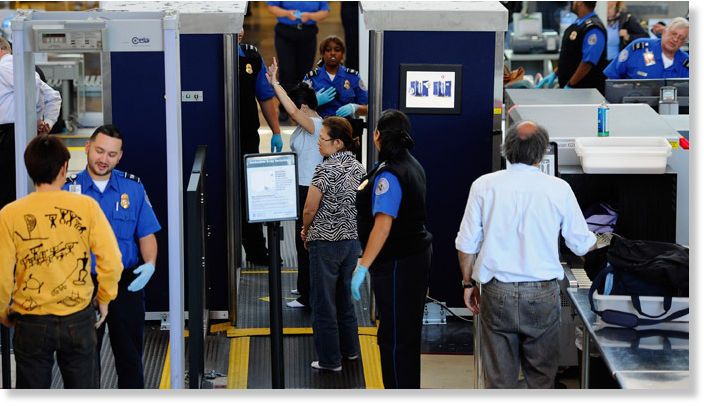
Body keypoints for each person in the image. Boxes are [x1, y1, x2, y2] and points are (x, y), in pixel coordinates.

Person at [455, 121, 596, 389]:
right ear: (542, 152)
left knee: (499, 380)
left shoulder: (483, 185)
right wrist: (600, 242)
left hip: (496, 292)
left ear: (507, 149)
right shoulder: (559, 189)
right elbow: (581, 244)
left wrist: (468, 283)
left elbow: (466, 244)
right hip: (542, 294)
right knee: (541, 379)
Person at [0, 134, 122, 388]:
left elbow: (1, 273)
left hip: (30, 321)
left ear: (29, 167)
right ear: (64, 167)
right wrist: (104, 298)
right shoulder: (86, 206)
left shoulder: (10, 214)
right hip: (78, 319)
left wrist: (3, 311)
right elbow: (112, 261)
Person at [64, 124, 161, 388]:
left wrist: (150, 263)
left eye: (111, 154)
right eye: (99, 151)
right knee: (83, 361)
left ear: (119, 157)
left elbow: (146, 234)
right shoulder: (67, 192)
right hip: (82, 285)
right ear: (87, 148)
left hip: (124, 284)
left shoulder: (134, 188)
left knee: (130, 358)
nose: (103, 159)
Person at [351, 109, 433, 389]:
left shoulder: (391, 175)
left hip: (399, 263)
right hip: (412, 258)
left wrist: (363, 266)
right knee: (405, 335)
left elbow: (383, 226)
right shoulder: (409, 164)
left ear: (377, 136)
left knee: (395, 338)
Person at [300, 116, 364, 372]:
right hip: (351, 243)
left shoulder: (325, 169)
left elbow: (309, 207)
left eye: (322, 138)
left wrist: (306, 230)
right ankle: (350, 351)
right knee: (344, 300)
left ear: (337, 143)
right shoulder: (358, 167)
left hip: (325, 243)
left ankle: (329, 360)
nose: (319, 143)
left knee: (324, 304)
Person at [266, 57, 324, 309]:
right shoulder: (306, 129)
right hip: (300, 188)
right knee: (303, 241)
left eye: (293, 111)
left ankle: (308, 296)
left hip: (310, 190)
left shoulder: (315, 125)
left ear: (302, 108)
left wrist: (275, 83)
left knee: (307, 241)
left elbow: (289, 109)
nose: (289, 117)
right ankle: (305, 286)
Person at [0, 36, 61, 210]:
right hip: (22, 134)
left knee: (7, 189)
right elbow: (53, 96)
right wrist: (45, 122)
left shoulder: (5, 65)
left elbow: (30, 85)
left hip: (9, 136)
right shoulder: (20, 68)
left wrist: (33, 118)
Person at [238, 28, 281, 265]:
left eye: (242, 26)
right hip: (213, 136)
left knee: (248, 192)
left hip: (246, 137)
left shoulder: (251, 57)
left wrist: (276, 131)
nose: (240, 32)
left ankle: (256, 251)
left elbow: (265, 96)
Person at [303, 35, 368, 158]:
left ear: (342, 53)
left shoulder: (353, 77)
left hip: (345, 135)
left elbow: (368, 108)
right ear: (322, 53)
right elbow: (296, 109)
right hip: (319, 135)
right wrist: (314, 102)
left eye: (337, 50)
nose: (332, 53)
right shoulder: (311, 78)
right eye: (328, 50)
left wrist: (354, 107)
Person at [265, 1, 330, 121]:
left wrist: (310, 16)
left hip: (308, 33)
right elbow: (271, 7)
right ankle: (285, 108)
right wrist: (287, 13)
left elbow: (325, 11)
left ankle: (303, 108)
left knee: (305, 72)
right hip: (285, 33)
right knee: (287, 71)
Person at [536, 1, 607, 92]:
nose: (572, 2)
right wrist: (556, 72)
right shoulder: (578, 24)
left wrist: (571, 85)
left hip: (584, 91)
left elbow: (588, 63)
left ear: (580, 2)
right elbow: (572, 57)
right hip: (573, 90)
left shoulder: (593, 28)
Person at [603, 17, 689, 80]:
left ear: (684, 42)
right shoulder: (639, 48)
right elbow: (611, 77)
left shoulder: (686, 63)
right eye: (673, 34)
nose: (675, 39)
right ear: (664, 31)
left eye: (681, 38)